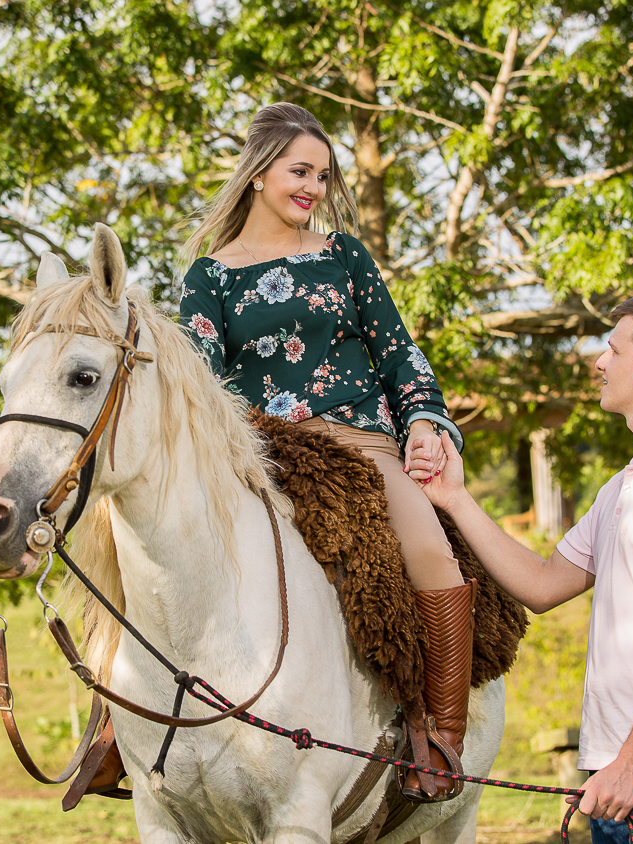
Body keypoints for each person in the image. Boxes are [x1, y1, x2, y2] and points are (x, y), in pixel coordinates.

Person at [176, 102, 472, 803]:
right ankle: (118, 729)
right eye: (298, 170)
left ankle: (440, 734)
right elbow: (196, 381)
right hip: (261, 457)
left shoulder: (343, 255)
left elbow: (397, 349)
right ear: (258, 173)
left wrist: (426, 421)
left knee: (436, 556)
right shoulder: (208, 276)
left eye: (322, 175)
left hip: (362, 443)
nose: (312, 186)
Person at [420, 293, 633, 842]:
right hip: (617, 770)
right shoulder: (624, 487)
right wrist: (454, 498)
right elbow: (544, 584)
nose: (599, 363)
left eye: (612, 350)